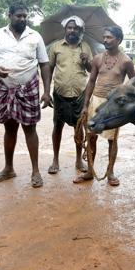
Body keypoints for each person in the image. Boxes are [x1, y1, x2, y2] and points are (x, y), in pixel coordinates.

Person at [0, 2, 52, 188]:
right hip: (4, 87)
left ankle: (36, 171)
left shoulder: (34, 36)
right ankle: (8, 168)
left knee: (30, 128)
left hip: (29, 87)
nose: (22, 19)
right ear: (10, 15)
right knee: (10, 128)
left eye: (25, 16)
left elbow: (44, 64)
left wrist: (47, 91)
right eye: (18, 16)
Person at [74, 26, 135, 186]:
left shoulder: (126, 61)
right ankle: (89, 171)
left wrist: (124, 104)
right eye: (104, 37)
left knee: (111, 140)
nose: (105, 40)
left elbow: (133, 84)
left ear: (119, 40)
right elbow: (91, 82)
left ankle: (110, 172)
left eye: (109, 37)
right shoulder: (98, 58)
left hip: (113, 106)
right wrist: (85, 105)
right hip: (96, 101)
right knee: (91, 137)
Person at [47, 15, 92, 174]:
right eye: (69, 28)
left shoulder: (85, 47)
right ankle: (55, 160)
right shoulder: (56, 47)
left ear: (81, 31)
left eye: (76, 28)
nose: (72, 30)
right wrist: (46, 92)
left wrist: (87, 61)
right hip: (60, 93)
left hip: (80, 95)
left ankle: (79, 160)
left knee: (78, 128)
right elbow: (49, 69)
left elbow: (92, 70)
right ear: (65, 29)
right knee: (57, 126)